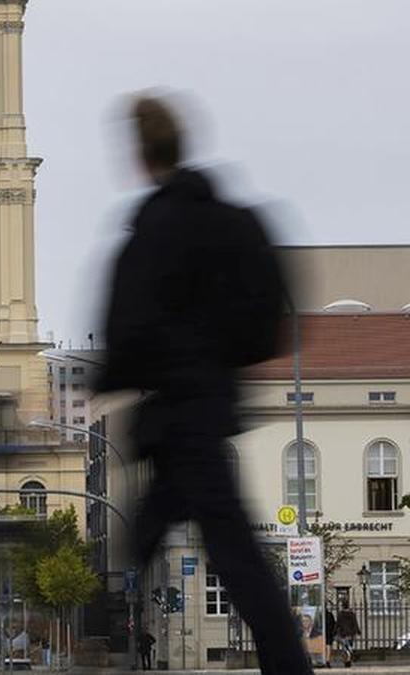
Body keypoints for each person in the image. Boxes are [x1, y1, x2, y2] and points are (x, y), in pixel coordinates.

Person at [97, 94, 311, 675]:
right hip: (213, 403)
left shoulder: (154, 227)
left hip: (175, 413)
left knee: (223, 548)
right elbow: (272, 315)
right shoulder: (238, 222)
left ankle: (104, 645)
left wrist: (111, 377)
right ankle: (108, 645)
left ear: (142, 156)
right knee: (170, 529)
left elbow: (126, 325)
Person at [335, 601, 360, 668]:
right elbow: (355, 623)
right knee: (349, 646)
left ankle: (347, 661)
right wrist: (357, 631)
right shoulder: (352, 614)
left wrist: (334, 632)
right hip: (351, 634)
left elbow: (337, 624)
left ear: (342, 606)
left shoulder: (340, 614)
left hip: (343, 633)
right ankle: (350, 658)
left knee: (345, 648)